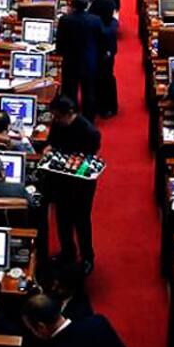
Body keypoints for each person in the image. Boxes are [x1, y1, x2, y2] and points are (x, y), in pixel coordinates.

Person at [46, 97, 101, 273]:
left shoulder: (89, 132)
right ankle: (67, 252)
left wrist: (71, 165)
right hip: (61, 179)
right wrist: (49, 149)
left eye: (58, 116)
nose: (55, 120)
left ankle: (87, 258)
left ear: (69, 113)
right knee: (62, 218)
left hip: (81, 184)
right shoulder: (57, 124)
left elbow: (88, 160)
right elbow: (52, 143)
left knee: (81, 220)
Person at [57, 0, 109, 119]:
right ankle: (88, 120)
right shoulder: (95, 20)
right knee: (89, 93)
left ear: (73, 4)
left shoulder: (65, 20)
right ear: (87, 5)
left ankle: (70, 119)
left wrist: (61, 54)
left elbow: (60, 41)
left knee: (70, 93)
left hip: (70, 62)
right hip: (89, 61)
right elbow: (103, 40)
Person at [81, 0, 119, 118]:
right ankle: (98, 103)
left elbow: (110, 29)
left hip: (105, 46)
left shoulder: (106, 1)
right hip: (93, 45)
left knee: (106, 77)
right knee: (96, 76)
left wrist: (108, 50)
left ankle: (109, 107)